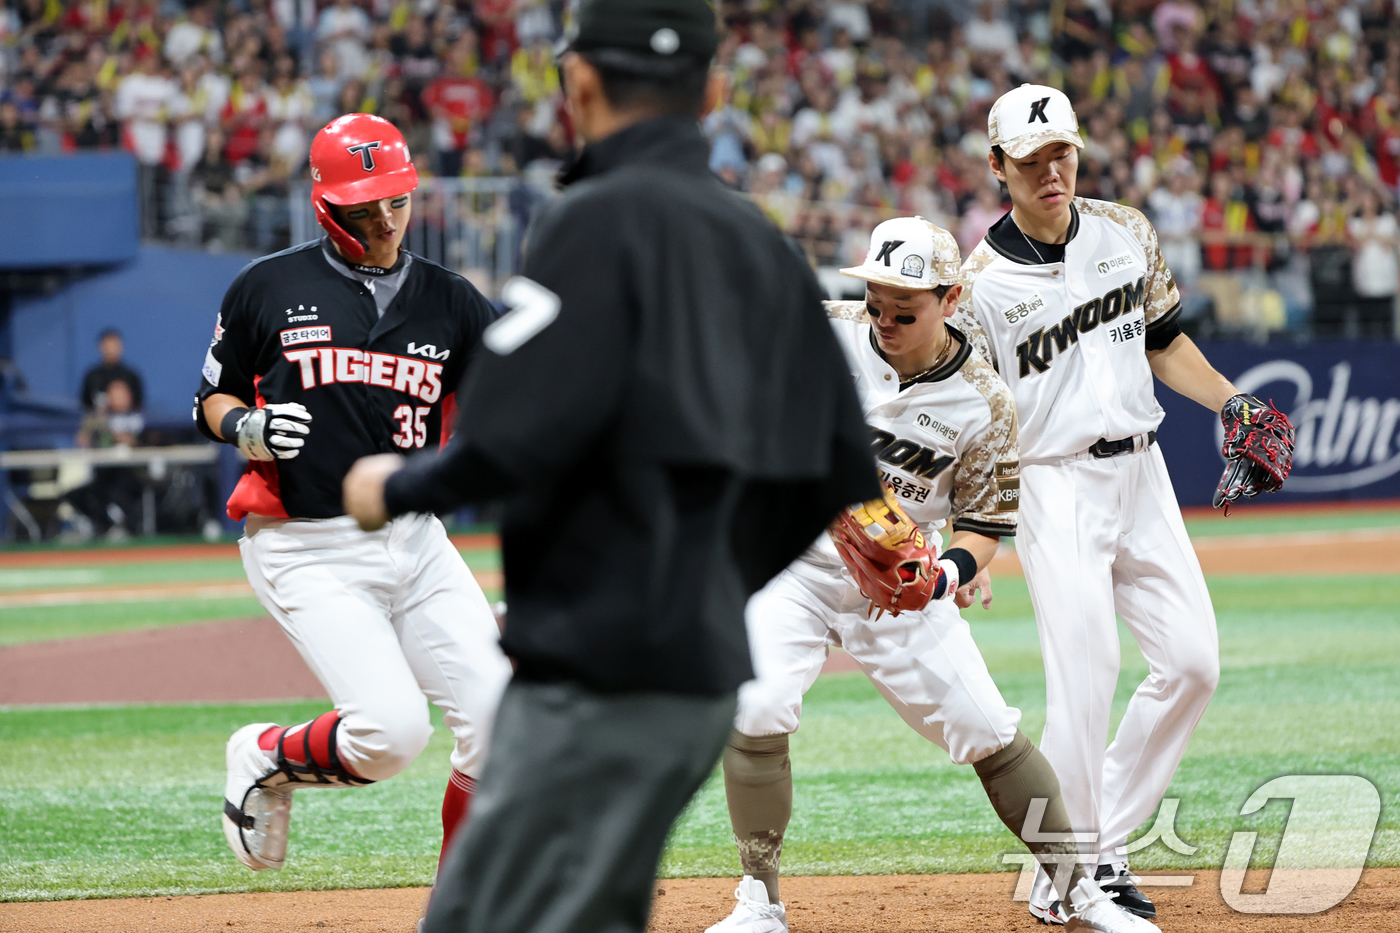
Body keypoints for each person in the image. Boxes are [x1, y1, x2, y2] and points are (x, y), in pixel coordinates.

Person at [340, 0, 880, 929]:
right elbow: (840, 472)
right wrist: (712, 579)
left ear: (578, 82)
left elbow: (510, 440)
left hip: (595, 672)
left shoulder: (589, 220)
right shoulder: (764, 245)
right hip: (701, 673)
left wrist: (391, 484)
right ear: (713, 90)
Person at [704, 218, 1157, 933]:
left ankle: (1084, 893)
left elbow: (985, 529)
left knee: (989, 730)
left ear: (949, 301)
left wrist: (942, 577)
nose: (883, 320)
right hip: (793, 563)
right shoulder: (826, 330)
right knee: (755, 706)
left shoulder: (984, 403)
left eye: (903, 310)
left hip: (898, 591)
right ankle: (759, 902)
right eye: (876, 302)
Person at [959, 84, 1293, 925]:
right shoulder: (981, 285)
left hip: (1143, 476)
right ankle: (1077, 871)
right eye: (1031, 160)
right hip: (1052, 483)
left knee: (1192, 662)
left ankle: (1090, 845)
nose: (1052, 171)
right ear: (998, 167)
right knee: (1087, 677)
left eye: (1062, 152)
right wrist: (972, 534)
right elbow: (974, 419)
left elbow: (1164, 340)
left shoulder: (1123, 231)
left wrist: (1232, 404)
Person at [193, 113, 512, 877]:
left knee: (505, 718)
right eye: (363, 207)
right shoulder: (266, 286)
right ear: (323, 202)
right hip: (307, 545)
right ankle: (264, 751)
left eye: (395, 202)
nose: (384, 221)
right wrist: (249, 427)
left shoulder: (452, 300)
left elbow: (518, 402)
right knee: (392, 735)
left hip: (417, 540)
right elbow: (210, 395)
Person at [80, 328, 145, 414]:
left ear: (121, 346)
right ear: (100, 347)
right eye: (107, 346)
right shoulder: (93, 377)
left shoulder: (131, 376)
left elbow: (139, 404)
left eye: (114, 345)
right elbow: (85, 404)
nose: (111, 350)